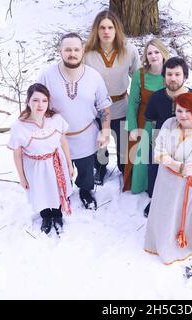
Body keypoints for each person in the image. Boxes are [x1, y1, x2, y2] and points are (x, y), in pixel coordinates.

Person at [37, 32, 112, 210]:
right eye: (68, 49)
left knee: (86, 171)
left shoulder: (93, 76)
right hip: (56, 137)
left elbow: (104, 106)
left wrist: (106, 130)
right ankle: (63, 192)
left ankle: (85, 191)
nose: (72, 53)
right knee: (60, 169)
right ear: (60, 51)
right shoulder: (47, 75)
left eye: (76, 49)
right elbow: (37, 102)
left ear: (83, 50)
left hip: (86, 134)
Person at [144, 92, 192, 265]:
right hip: (164, 180)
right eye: (179, 110)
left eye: (187, 111)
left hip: (185, 185)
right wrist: (178, 166)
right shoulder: (169, 123)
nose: (182, 115)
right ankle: (157, 242)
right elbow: (158, 152)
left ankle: (176, 245)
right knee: (163, 212)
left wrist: (172, 163)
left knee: (177, 214)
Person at [144, 57, 192, 217]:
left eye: (177, 74)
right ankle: (156, 201)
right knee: (155, 176)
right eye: (169, 74)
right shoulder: (156, 97)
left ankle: (181, 204)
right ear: (164, 76)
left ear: (185, 77)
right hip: (161, 146)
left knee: (182, 178)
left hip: (185, 146)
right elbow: (151, 120)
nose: (173, 78)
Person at [7, 83, 74, 235]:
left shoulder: (55, 119)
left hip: (56, 162)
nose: (40, 105)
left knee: (56, 189)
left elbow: (63, 141)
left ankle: (57, 214)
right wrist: (22, 177)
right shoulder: (19, 126)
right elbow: (17, 154)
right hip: (35, 166)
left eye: (44, 100)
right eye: (36, 100)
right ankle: (46, 216)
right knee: (41, 191)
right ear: (28, 101)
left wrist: (69, 165)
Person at [84, 10, 140, 185]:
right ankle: (101, 169)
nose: (106, 31)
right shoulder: (87, 53)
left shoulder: (129, 50)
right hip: (97, 108)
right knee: (99, 143)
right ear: (96, 30)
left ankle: (124, 169)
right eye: (102, 27)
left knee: (124, 146)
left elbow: (138, 78)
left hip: (122, 104)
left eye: (110, 27)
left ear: (116, 29)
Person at [123, 38, 170, 194]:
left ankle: (159, 186)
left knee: (160, 156)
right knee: (142, 155)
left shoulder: (169, 73)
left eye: (156, 52)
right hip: (144, 120)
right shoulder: (140, 75)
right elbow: (133, 103)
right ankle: (141, 185)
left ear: (163, 53)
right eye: (149, 53)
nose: (153, 55)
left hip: (164, 121)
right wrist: (133, 127)